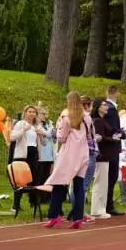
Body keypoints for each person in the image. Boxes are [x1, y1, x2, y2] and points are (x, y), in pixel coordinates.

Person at [43, 93, 94, 229]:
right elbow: (90, 136)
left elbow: (62, 137)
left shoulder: (66, 117)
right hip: (83, 153)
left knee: (58, 184)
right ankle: (78, 218)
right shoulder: (87, 117)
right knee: (79, 186)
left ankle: (54, 215)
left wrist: (58, 129)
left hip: (69, 154)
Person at [10, 104, 45, 214]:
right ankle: (15, 205)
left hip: (34, 153)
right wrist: (24, 130)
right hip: (22, 154)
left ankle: (34, 203)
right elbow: (12, 137)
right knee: (21, 181)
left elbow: (43, 143)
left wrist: (42, 134)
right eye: (29, 111)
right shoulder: (20, 124)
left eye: (34, 112)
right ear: (25, 113)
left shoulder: (37, 126)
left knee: (35, 179)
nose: (32, 114)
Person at [91, 99, 118, 218]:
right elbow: (101, 138)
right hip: (101, 155)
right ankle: (97, 209)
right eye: (104, 105)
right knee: (100, 182)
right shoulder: (97, 121)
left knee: (103, 183)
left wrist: (118, 134)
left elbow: (108, 134)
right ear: (98, 107)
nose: (106, 106)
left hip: (106, 156)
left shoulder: (103, 120)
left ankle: (100, 208)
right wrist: (113, 139)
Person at [103, 85, 125, 216]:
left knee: (109, 177)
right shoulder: (111, 109)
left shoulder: (106, 107)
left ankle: (107, 204)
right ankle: (108, 205)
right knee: (111, 177)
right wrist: (121, 133)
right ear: (116, 94)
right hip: (111, 148)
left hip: (108, 147)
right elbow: (112, 129)